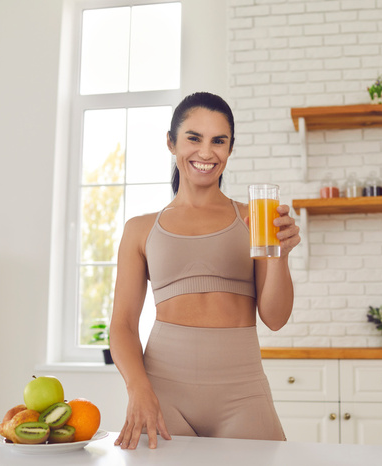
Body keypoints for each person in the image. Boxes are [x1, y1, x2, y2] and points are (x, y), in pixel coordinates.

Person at [109, 92, 301, 450]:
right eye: (193, 138)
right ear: (171, 142)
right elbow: (121, 325)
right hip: (163, 393)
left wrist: (280, 256)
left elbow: (275, 318)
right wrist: (139, 390)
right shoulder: (140, 229)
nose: (206, 152)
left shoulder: (255, 219)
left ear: (230, 149)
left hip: (243, 394)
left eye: (219, 141)